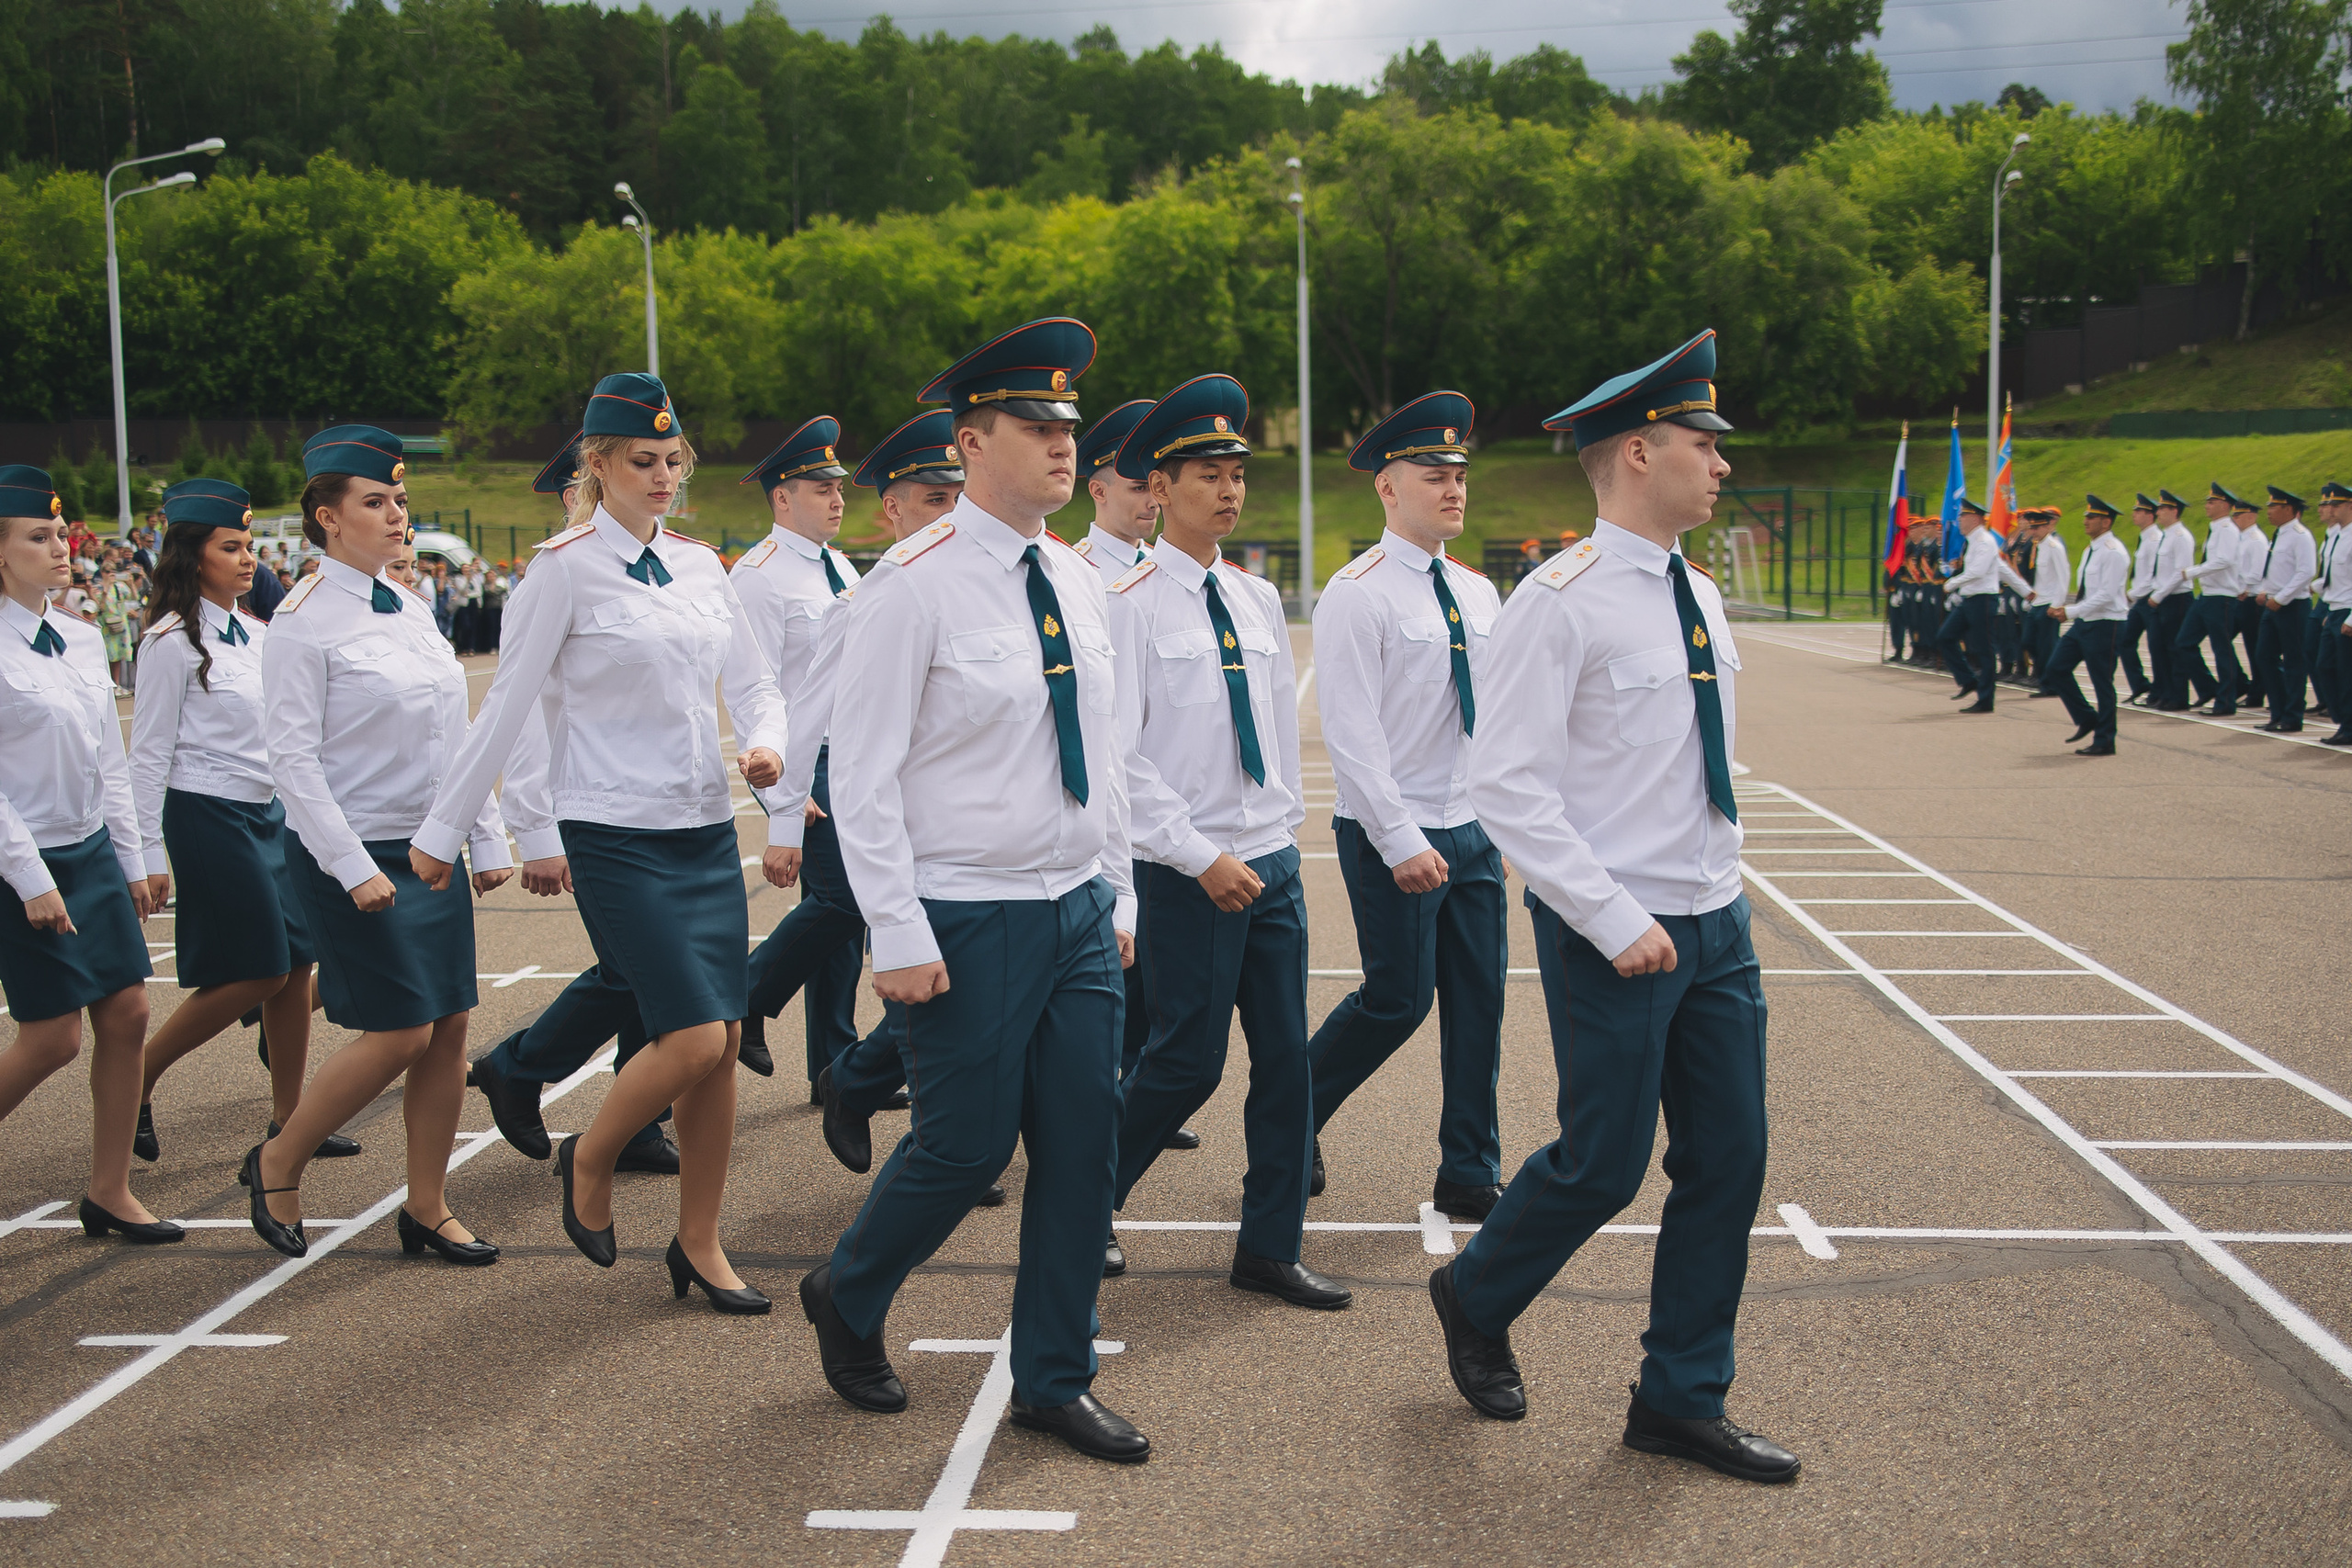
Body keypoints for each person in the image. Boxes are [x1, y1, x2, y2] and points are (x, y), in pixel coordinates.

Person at [1426, 329, 1797, 1485]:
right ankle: (1475, 1291)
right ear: (1641, 452)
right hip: (1615, 928)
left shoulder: (1694, 588)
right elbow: (1506, 783)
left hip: (1712, 917)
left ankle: (1680, 1397)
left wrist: (1714, 890)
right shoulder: (1561, 601)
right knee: (1604, 1162)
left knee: (1730, 1158)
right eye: (1702, 443)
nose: (1721, 463)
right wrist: (1606, 913)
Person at [803, 319, 1147, 1463]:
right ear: (971, 441)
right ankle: (847, 1293)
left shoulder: (1078, 580)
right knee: (960, 1149)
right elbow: (862, 775)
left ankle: (1054, 1373)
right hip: (963, 910)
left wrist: (1118, 891)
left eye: (1068, 426)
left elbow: (1103, 748)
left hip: (1075, 910)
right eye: (1037, 426)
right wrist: (894, 929)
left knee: (1082, 1147)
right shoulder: (910, 587)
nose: (1063, 445)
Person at [413, 375, 789, 1314]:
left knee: (725, 1037)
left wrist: (770, 747)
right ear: (597, 464)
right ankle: (593, 1153)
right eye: (642, 461)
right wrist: (444, 831)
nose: (661, 477)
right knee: (694, 1034)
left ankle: (699, 1245)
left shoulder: (705, 567)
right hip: (614, 830)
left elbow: (756, 685)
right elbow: (507, 704)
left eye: (672, 462)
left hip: (703, 824)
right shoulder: (563, 568)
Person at [1102, 376, 1344, 1309]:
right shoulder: (1128, 603)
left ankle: (1269, 1246)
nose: (1230, 489)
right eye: (1208, 474)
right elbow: (1121, 753)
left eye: (1237, 472)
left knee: (1287, 1065)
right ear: (1158, 489)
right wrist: (1198, 854)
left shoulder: (1253, 595)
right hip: (1187, 870)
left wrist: (1278, 835)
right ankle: (1082, 1206)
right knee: (1185, 1063)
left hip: (1268, 859)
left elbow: (1274, 732)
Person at [248, 429, 512, 1265]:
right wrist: (352, 866)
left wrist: (486, 829)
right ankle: (280, 1157)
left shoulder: (411, 605)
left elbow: (456, 735)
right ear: (327, 518)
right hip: (350, 851)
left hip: (430, 846)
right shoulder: (300, 622)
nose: (396, 513)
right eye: (375, 501)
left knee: (448, 1030)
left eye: (399, 499)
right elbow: (290, 760)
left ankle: (427, 1206)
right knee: (398, 1032)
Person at [1305, 391, 1506, 1223]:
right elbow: (1351, 734)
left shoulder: (1479, 590)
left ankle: (1469, 1168)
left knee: (1479, 1000)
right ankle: (1289, 1115)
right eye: (1435, 474)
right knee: (1397, 999)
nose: (1454, 488)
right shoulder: (1358, 592)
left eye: (1459, 473)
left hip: (1474, 828)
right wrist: (1399, 837)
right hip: (1396, 830)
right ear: (1388, 488)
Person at [794, 412, 1000, 1196]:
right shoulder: (885, 592)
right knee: (949, 1004)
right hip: (919, 839)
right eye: (932, 499)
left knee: (974, 1003)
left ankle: (865, 1083)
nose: (950, 511)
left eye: (957, 496)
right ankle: (931, 1131)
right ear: (894, 511)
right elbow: (815, 724)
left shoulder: (998, 579)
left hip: (991, 834)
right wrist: (785, 815)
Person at [462, 433, 678, 1179]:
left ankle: (632, 1113)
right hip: (588, 809)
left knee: (643, 971)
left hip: (662, 808)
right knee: (640, 971)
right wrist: (535, 830)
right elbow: (517, 715)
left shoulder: (652, 568)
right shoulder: (555, 575)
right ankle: (523, 1067)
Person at [127, 479, 344, 1171]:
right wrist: (143, 852)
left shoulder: (256, 633)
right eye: (231, 547)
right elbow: (148, 754)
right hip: (207, 811)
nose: (248, 559)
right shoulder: (169, 643)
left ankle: (290, 1120)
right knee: (258, 970)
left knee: (299, 960)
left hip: (268, 810)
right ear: (194, 557)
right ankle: (135, 1076)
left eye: (249, 546)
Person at [0, 466, 172, 1244]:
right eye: (38, 537)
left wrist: (132, 861)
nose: (61, 547)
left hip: (92, 850)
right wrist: (31, 878)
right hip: (22, 861)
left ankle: (109, 1190)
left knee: (130, 1012)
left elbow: (110, 758)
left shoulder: (74, 633)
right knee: (51, 1038)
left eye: (60, 533)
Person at [1057, 397, 1196, 1153]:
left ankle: (1137, 1091)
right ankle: (861, 1072)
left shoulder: (1163, 574)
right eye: (1134, 482)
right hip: (1108, 809)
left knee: (1149, 978)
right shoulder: (1076, 576)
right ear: (1098, 489)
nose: (1150, 497)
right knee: (1102, 979)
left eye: (1155, 483)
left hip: (1164, 813)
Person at [732, 416, 860, 1087]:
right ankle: (749, 997)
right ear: (782, 498)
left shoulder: (838, 564)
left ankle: (834, 1060)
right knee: (846, 900)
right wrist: (780, 793)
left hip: (853, 755)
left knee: (839, 918)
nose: (838, 499)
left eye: (838, 486)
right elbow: (749, 690)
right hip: (808, 764)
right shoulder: (758, 576)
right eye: (820, 488)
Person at [2038, 495, 2131, 756]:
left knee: (2102, 682)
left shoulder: (2113, 552)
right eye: (2086, 517)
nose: (2086, 522)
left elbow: (2107, 595)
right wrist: (2073, 612)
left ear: (2106, 521)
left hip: (2106, 623)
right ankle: (2087, 718)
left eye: (2092, 518)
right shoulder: (2093, 548)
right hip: (2086, 621)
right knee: (2056, 669)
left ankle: (2105, 740)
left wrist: (2070, 611)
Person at [1935, 498, 2025, 712]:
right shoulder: (1974, 541)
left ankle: (1986, 700)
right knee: (1945, 638)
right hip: (1970, 599)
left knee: (1984, 650)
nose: (1959, 521)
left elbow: (1979, 571)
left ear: (1975, 518)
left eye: (1963, 517)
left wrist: (1952, 583)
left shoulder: (1984, 541)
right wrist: (2026, 591)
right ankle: (1968, 680)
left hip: (1983, 600)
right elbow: (2001, 569)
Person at [2176, 484, 2247, 716]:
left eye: (2212, 502)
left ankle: (2226, 702)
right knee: (2184, 642)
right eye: (2207, 501)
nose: (2207, 505)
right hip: (2207, 595)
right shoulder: (2216, 528)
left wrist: (2194, 571)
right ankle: (2209, 689)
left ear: (2226, 505)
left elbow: (2224, 561)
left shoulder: (2227, 529)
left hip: (2222, 597)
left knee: (2222, 650)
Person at [1069, 399, 1159, 579]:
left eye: (1156, 488)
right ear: (1099, 491)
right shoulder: (1073, 571)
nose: (1154, 503)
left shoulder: (1163, 564)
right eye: (1139, 488)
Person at [2250, 485, 2315, 732]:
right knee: (2264, 656)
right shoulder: (2278, 534)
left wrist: (2282, 597)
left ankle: (2292, 716)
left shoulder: (2300, 535)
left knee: (2294, 662)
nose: (2268, 511)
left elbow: (2306, 571)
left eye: (2273, 506)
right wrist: (2266, 591)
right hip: (2273, 604)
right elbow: (2277, 569)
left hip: (2292, 606)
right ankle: (2277, 712)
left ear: (2289, 508)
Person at [2148, 491, 2199, 708]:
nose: (2157, 512)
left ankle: (2179, 697)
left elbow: (2181, 572)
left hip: (2177, 598)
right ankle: (2167, 693)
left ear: (2174, 511)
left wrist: (2159, 595)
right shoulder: (2167, 535)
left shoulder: (2181, 536)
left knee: (2175, 649)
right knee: (2163, 649)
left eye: (2162, 509)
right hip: (2165, 598)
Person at [2313, 482, 2352, 747]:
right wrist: (2330, 608)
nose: (2331, 509)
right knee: (2324, 667)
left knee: (2347, 673)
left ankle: (2348, 727)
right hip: (2335, 609)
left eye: (2337, 504)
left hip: (2348, 612)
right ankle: (2342, 720)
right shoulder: (2338, 536)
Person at [2117, 494, 2165, 705]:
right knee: (2125, 641)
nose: (2134, 515)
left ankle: (2159, 690)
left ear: (2150, 515)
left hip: (2149, 599)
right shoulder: (2145, 537)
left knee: (2157, 647)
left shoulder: (2155, 539)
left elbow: (2153, 576)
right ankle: (2140, 685)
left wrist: (2131, 594)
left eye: (2139, 511)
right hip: (2140, 600)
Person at [2023, 508, 2068, 688]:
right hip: (2037, 602)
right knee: (2028, 641)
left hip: (2049, 603)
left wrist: (2057, 604)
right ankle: (2044, 676)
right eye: (2032, 528)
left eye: (2037, 528)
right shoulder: (2037, 547)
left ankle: (2048, 683)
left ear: (2046, 527)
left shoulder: (2054, 547)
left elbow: (2064, 576)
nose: (2033, 532)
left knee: (2046, 646)